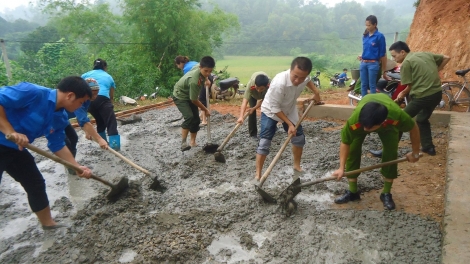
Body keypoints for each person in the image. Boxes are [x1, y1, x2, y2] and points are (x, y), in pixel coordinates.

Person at [0, 76, 93, 229]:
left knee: (35, 182)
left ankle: (48, 224)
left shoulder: (60, 117)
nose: (79, 107)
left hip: (16, 149)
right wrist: (10, 130)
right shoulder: (32, 92)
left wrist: (77, 166)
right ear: (70, 95)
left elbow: (57, 145)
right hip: (4, 139)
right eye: (80, 102)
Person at [332, 93, 421, 210]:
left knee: (391, 153)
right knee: (353, 150)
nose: (366, 130)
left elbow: (413, 127)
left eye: (369, 128)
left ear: (382, 122)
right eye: (364, 127)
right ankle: (353, 192)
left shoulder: (396, 116)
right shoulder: (356, 120)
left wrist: (415, 153)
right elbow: (345, 142)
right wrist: (341, 168)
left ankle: (386, 193)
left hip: (388, 126)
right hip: (366, 117)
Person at [369, 41, 451, 157]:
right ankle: (428, 148)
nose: (394, 58)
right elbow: (447, 58)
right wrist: (437, 70)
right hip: (437, 94)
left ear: (402, 52)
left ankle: (387, 151)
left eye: (394, 55)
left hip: (423, 96)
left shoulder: (406, 63)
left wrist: (402, 94)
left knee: (399, 119)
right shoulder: (424, 54)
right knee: (422, 119)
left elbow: (409, 85)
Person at [255, 57, 322, 180]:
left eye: (301, 77)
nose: (298, 80)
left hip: (289, 109)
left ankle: (297, 166)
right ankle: (258, 175)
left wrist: (316, 92)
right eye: (295, 76)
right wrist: (289, 124)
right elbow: (275, 108)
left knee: (299, 138)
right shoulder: (279, 83)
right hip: (271, 110)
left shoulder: (304, 77)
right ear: (290, 70)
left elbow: (308, 80)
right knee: (264, 142)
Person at [62, 78, 109, 175]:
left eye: (97, 93)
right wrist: (99, 139)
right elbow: (84, 121)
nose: (95, 96)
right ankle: (70, 165)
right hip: (56, 118)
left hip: (64, 118)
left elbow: (81, 118)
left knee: (73, 138)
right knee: (66, 141)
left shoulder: (86, 101)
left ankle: (71, 163)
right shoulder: (79, 99)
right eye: (93, 93)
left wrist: (87, 132)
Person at [173, 56, 215, 151]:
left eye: (210, 71)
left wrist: (207, 79)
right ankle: (183, 143)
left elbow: (206, 73)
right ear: (200, 67)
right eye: (206, 71)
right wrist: (205, 109)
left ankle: (193, 142)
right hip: (180, 96)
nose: (208, 73)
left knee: (196, 119)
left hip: (190, 94)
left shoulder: (198, 66)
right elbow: (194, 100)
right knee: (189, 117)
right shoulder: (194, 81)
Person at [82, 58, 120, 151]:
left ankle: (103, 145)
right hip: (103, 99)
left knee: (100, 121)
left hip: (88, 101)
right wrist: (110, 105)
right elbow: (111, 95)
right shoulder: (108, 76)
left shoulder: (85, 75)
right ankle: (115, 146)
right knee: (111, 122)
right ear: (105, 67)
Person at [175, 55, 210, 125]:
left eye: (177, 65)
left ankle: (204, 120)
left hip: (203, 79)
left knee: (201, 100)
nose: (178, 67)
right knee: (202, 99)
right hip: (207, 76)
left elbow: (189, 83)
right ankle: (201, 116)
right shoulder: (191, 63)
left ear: (180, 64)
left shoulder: (186, 69)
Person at [359, 15, 388, 97]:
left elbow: (383, 54)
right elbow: (366, 49)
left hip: (373, 64)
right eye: (366, 25)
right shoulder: (365, 36)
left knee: (372, 85)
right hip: (363, 63)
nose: (367, 27)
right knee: (363, 84)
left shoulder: (379, 36)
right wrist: (361, 55)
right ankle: (364, 102)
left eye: (369, 25)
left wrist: (384, 70)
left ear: (375, 24)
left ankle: (372, 103)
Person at [237, 72, 270, 139]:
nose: (258, 90)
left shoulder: (270, 86)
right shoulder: (251, 84)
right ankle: (253, 134)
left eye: (261, 89)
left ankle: (271, 128)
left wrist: (255, 108)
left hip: (265, 95)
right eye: (257, 88)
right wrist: (241, 116)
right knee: (251, 111)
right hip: (253, 95)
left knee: (268, 110)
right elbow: (244, 101)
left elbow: (263, 101)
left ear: (266, 86)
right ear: (255, 84)